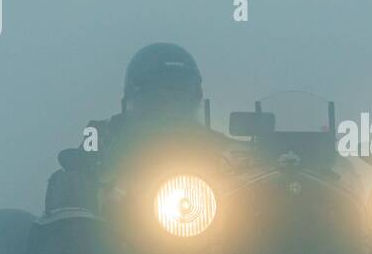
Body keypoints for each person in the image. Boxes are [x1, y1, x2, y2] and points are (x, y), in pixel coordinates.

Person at [44, 43, 232, 214]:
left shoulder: (220, 147)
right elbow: (78, 168)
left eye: (181, 97)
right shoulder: (106, 137)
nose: (171, 107)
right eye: (160, 99)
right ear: (134, 100)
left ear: (195, 100)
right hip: (117, 238)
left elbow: (245, 166)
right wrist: (72, 182)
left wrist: (258, 157)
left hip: (212, 234)